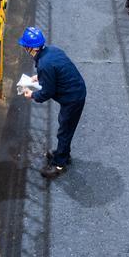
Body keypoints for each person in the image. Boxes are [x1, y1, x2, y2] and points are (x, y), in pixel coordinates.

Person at [19, 26, 86, 179]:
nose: (25, 49)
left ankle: (59, 164)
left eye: (25, 46)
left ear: (32, 49)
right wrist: (40, 77)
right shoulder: (52, 51)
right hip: (75, 91)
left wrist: (32, 95)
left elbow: (47, 92)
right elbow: (57, 70)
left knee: (65, 130)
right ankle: (63, 153)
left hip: (72, 98)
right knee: (66, 128)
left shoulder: (44, 64)